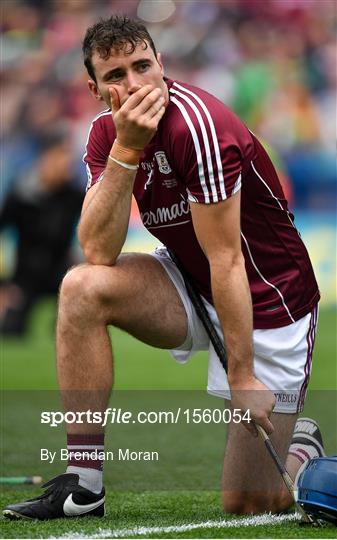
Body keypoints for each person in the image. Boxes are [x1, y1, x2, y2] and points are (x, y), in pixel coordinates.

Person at [4, 16, 324, 520]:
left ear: (162, 64)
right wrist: (126, 150)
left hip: (269, 301)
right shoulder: (104, 134)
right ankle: (85, 486)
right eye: (115, 76)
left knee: (247, 505)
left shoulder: (199, 127)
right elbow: (97, 251)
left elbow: (229, 257)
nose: (133, 84)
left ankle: (301, 452)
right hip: (193, 284)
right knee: (83, 287)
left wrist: (242, 377)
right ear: (94, 88)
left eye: (142, 66)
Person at [0, 132, 83, 337]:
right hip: (25, 278)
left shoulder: (74, 195)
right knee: (10, 332)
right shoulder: (21, 195)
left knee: (72, 333)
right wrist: (3, 287)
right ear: (45, 158)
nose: (68, 163)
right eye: (62, 155)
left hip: (62, 274)